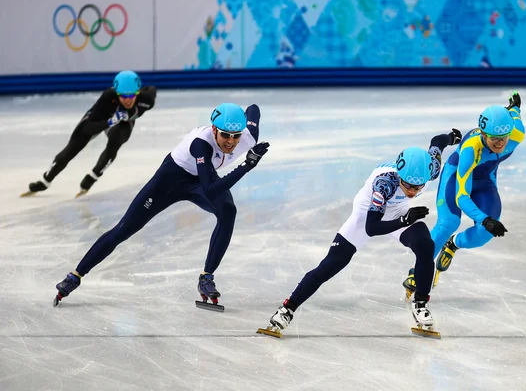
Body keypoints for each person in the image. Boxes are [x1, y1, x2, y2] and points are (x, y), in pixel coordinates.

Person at [53, 103, 270, 309]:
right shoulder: (200, 143)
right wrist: (246, 165)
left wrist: (237, 116)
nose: (231, 142)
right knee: (124, 230)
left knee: (228, 211)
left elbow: (254, 110)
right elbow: (211, 189)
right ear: (214, 129)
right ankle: (75, 275)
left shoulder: (247, 137)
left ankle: (206, 278)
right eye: (225, 135)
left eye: (235, 135)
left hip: (200, 181)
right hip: (169, 182)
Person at [258, 129, 462, 337]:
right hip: (367, 214)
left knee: (426, 246)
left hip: (398, 210)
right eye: (408, 185)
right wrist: (405, 220)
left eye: (418, 187)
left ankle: (420, 305)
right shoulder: (384, 184)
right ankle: (287, 310)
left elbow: (437, 142)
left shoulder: (431, 168)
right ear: (400, 176)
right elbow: (371, 228)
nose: (412, 191)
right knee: (331, 264)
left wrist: (452, 137)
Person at [406, 92, 524, 291]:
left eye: (504, 138)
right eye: (494, 138)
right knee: (449, 223)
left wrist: (514, 107)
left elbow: (515, 114)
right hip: (458, 176)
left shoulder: (517, 134)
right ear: (483, 133)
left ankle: (454, 244)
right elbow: (462, 196)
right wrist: (485, 219)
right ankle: (417, 271)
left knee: (484, 234)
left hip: (486, 180)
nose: (500, 143)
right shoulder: (471, 148)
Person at [21, 70, 157, 197]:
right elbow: (88, 128)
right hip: (100, 119)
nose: (127, 99)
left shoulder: (147, 100)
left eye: (131, 95)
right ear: (117, 93)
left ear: (137, 92)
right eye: (123, 95)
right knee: (70, 150)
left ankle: (91, 179)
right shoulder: (108, 97)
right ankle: (45, 182)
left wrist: (123, 118)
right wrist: (110, 122)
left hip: (123, 123)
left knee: (116, 142)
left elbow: (152, 90)